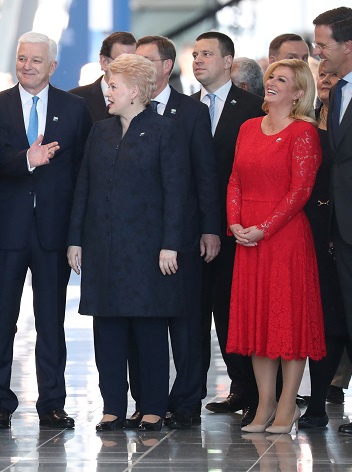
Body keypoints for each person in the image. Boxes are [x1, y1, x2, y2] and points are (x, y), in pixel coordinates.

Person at [67, 53, 190, 432]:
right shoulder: (100, 131)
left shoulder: (164, 130)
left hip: (147, 249)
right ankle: (113, 408)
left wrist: (171, 243)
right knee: (108, 330)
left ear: (135, 91)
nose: (107, 91)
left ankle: (152, 406)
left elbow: (176, 192)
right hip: (102, 247)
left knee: (149, 328)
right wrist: (75, 240)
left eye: (114, 85)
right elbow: (83, 188)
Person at [0, 31, 91, 430]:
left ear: (52, 66)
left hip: (53, 232)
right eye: (22, 58)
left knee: (51, 321)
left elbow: (82, 175)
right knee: (0, 320)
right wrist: (26, 160)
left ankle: (52, 403)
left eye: (35, 60)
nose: (27, 66)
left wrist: (77, 234)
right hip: (7, 231)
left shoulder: (75, 109)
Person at [226, 59, 325, 434]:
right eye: (270, 77)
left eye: (281, 79)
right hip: (247, 236)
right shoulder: (249, 127)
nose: (271, 83)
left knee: (288, 322)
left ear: (298, 92)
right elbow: (234, 179)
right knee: (258, 323)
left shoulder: (303, 132)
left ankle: (287, 405)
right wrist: (235, 223)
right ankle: (264, 404)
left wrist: (263, 229)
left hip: (283, 239)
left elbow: (300, 191)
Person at [131, 35, 219, 430]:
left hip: (183, 235)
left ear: (166, 66)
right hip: (137, 240)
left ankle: (185, 400)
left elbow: (206, 176)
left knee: (185, 322)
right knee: (142, 322)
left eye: (146, 61)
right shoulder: (126, 109)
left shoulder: (192, 112)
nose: (138, 67)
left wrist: (210, 229)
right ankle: (147, 400)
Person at [192, 31, 264, 426]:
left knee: (236, 313)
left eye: (207, 54)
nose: (198, 60)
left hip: (239, 229)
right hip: (194, 231)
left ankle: (251, 391)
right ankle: (191, 394)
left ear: (228, 61)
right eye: (195, 54)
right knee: (196, 314)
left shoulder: (254, 107)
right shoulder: (185, 108)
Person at [312, 6, 352, 435]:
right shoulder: (335, 92)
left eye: (323, 45)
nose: (318, 53)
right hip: (344, 228)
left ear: (348, 47)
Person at [299, 63, 351, 429]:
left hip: (345, 229)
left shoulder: (351, 121)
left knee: (339, 319)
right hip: (308, 229)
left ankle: (324, 399)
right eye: (322, 76)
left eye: (334, 76)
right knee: (317, 317)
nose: (327, 80)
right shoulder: (305, 124)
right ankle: (313, 404)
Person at [69, 32, 136, 122]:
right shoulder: (74, 100)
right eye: (122, 62)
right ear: (104, 62)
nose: (129, 68)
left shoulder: (143, 100)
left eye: (134, 62)